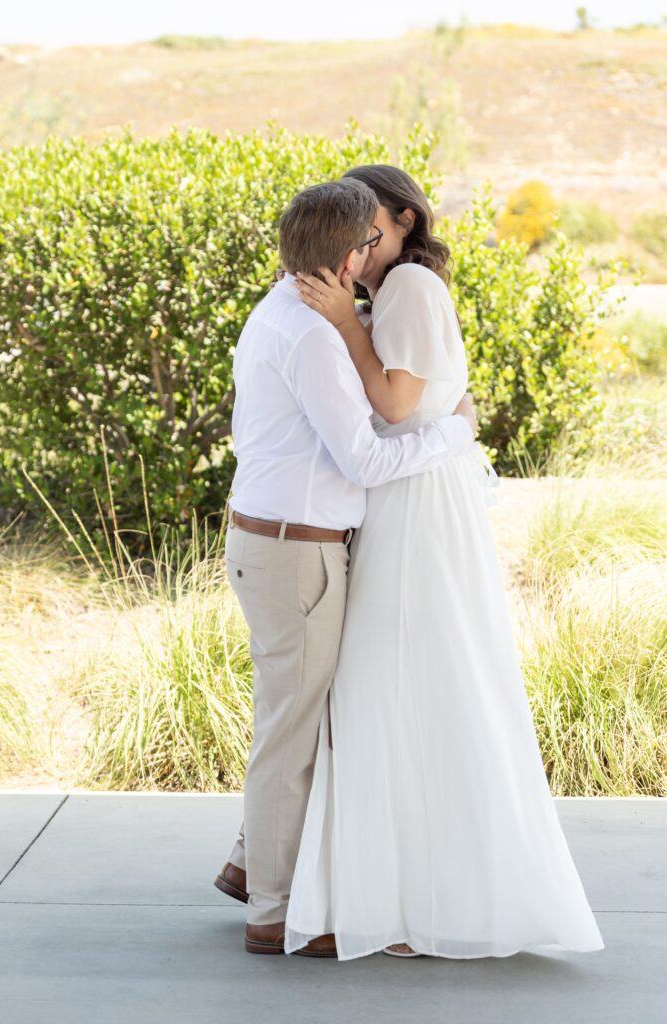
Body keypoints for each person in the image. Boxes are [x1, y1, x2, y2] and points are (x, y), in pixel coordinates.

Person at [283, 165, 606, 961]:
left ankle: (414, 898)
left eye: (373, 229)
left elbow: (394, 404)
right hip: (408, 493)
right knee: (398, 680)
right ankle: (399, 890)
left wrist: (345, 326)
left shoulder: (413, 290)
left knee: (409, 678)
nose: (361, 244)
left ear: (403, 218)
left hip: (419, 503)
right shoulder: (390, 293)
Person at [213, 177, 479, 956]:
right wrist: (457, 435)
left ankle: (248, 864)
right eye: (366, 243)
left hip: (282, 542)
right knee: (292, 730)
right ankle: (273, 909)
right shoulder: (308, 335)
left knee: (301, 718)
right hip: (297, 551)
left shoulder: (286, 313)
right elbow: (363, 455)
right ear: (350, 251)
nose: (375, 256)